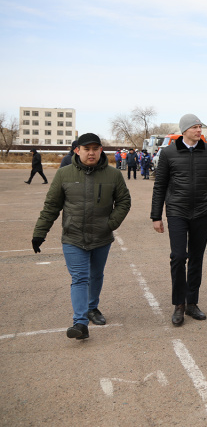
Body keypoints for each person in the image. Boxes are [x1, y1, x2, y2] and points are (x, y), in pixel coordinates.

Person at [31, 133, 131, 340]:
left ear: (101, 150)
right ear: (78, 150)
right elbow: (51, 206)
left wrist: (110, 224)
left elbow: (124, 202)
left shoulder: (113, 175)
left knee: (96, 275)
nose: (91, 153)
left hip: (101, 237)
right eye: (87, 149)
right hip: (73, 237)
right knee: (79, 278)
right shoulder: (64, 174)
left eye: (95, 148)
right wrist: (40, 233)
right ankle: (80, 322)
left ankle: (92, 308)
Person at [151, 114, 207, 326]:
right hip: (177, 210)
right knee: (178, 256)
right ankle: (179, 305)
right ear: (184, 130)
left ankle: (192, 303)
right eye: (195, 127)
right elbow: (160, 185)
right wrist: (156, 216)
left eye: (200, 127)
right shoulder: (169, 153)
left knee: (196, 257)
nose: (199, 130)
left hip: (203, 211)